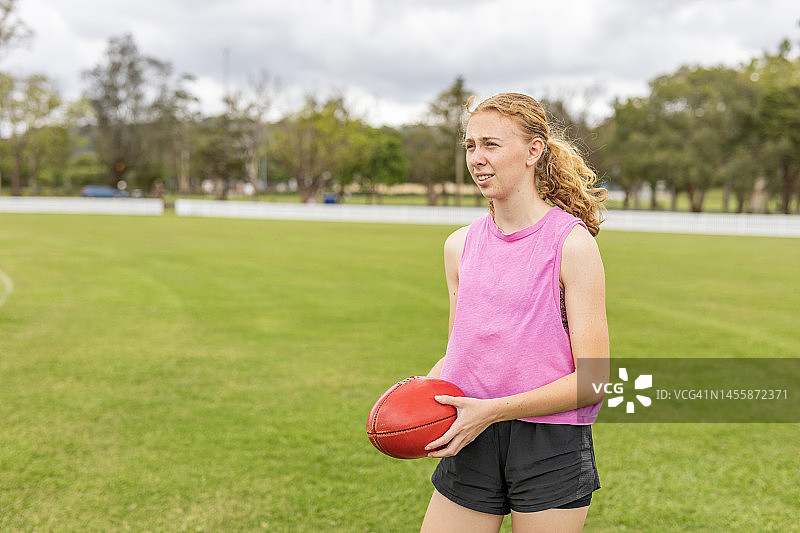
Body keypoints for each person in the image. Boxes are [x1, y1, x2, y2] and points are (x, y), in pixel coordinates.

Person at [419, 93, 610, 533]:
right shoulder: (458, 246)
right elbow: (458, 354)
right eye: (470, 146)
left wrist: (493, 409)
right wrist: (420, 392)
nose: (477, 159)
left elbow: (595, 380)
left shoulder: (572, 245)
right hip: (472, 433)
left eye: (491, 145)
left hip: (549, 442)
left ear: (533, 151)